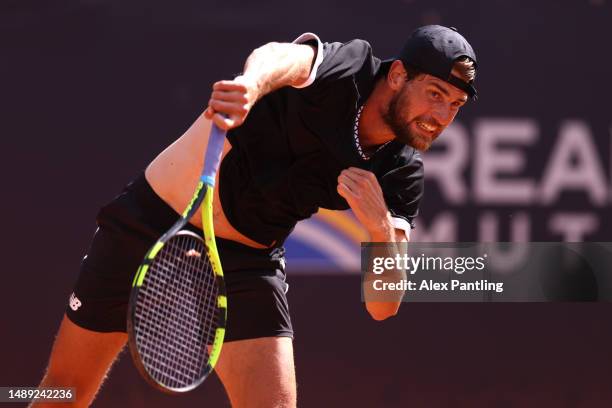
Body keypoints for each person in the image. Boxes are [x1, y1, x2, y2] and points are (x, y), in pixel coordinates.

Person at [33, 25, 477, 407]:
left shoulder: (401, 169)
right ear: (398, 75)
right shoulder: (352, 68)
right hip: (151, 224)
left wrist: (380, 228)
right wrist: (251, 85)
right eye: (434, 94)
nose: (440, 116)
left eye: (454, 105)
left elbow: (384, 305)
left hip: (246, 264)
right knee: (64, 391)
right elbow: (284, 57)